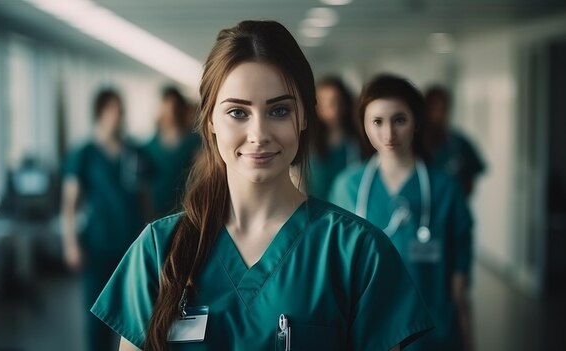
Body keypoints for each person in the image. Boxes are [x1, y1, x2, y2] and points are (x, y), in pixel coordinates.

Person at [91, 21, 433, 351]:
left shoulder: (359, 252)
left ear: (303, 117)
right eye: (238, 113)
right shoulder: (158, 249)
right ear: (210, 120)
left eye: (279, 111)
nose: (258, 135)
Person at [329, 74, 474, 351]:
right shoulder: (347, 186)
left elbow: (459, 279)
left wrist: (467, 336)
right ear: (363, 125)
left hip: (432, 331)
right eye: (377, 122)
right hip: (366, 328)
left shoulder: (444, 188)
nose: (389, 134)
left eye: (399, 120)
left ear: (417, 122)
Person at [61, 88, 150, 351]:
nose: (121, 115)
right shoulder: (85, 154)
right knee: (97, 320)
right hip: (98, 246)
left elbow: (145, 198)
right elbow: (69, 205)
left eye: (122, 110)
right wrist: (71, 244)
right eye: (116, 110)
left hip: (132, 245)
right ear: (101, 112)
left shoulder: (133, 151)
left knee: (137, 318)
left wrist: (151, 234)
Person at [143, 87, 201, 219]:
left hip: (185, 214)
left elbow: (201, 178)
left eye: (173, 108)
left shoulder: (193, 143)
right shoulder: (147, 149)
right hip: (156, 215)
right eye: (166, 108)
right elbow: (144, 190)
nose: (170, 114)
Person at [424, 86, 485, 197]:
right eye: (434, 109)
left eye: (443, 109)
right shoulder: (414, 146)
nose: (439, 115)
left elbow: (470, 183)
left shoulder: (461, 144)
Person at [308, 76, 361, 199]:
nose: (331, 107)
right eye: (324, 102)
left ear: (344, 103)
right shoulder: (307, 144)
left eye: (335, 101)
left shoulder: (357, 142)